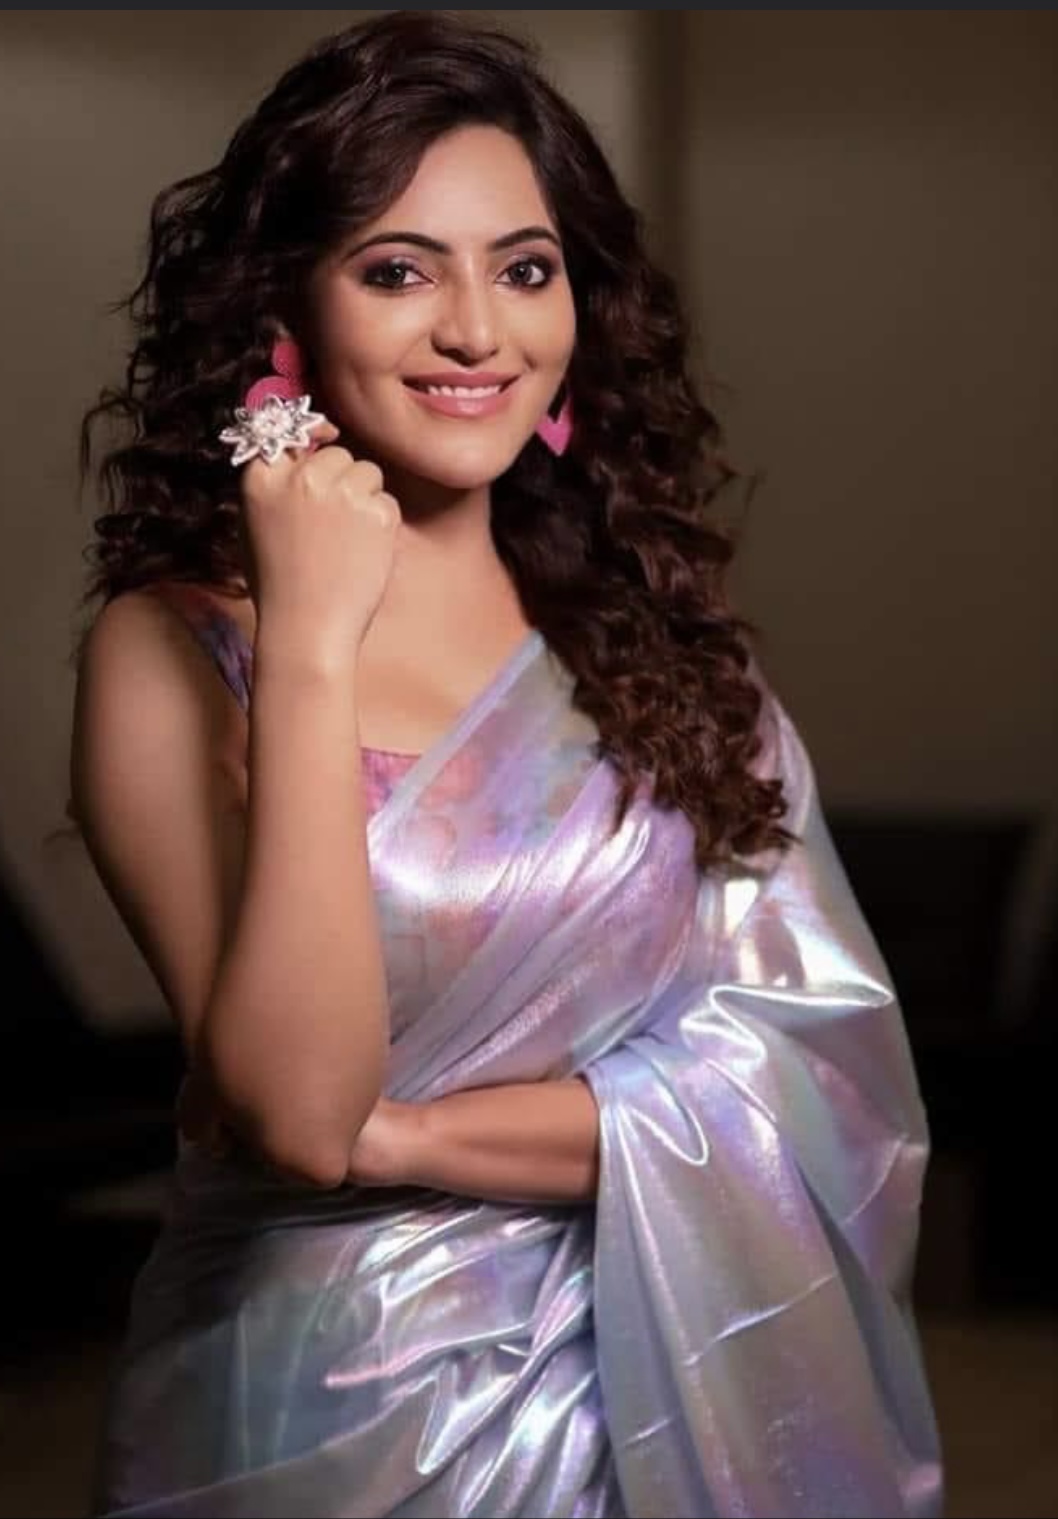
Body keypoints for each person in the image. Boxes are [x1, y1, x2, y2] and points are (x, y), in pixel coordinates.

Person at [71, 12, 942, 1517]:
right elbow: (297, 1115)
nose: (479, 332)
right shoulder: (174, 650)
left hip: (664, 1380)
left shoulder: (662, 655)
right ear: (284, 311)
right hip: (315, 1410)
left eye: (525, 270)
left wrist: (407, 1137)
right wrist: (314, 644)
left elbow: (809, 1076)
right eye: (399, 271)